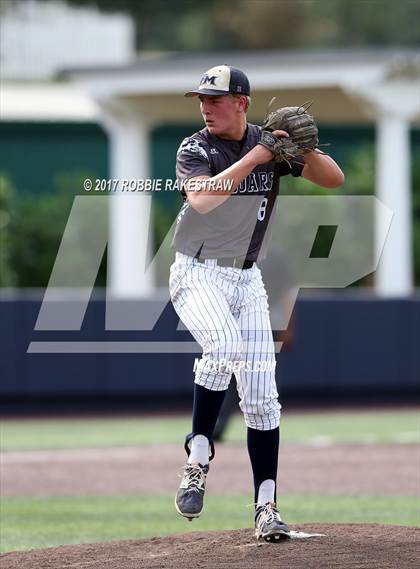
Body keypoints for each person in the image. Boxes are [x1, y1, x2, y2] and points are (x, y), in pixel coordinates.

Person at [169, 64, 344, 542]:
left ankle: (266, 507)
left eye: (216, 99)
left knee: (264, 401)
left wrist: (301, 148)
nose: (205, 107)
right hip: (197, 273)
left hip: (248, 281)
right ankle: (198, 456)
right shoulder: (195, 147)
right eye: (201, 99)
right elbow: (202, 199)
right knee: (221, 347)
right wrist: (259, 156)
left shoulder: (270, 143)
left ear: (242, 103)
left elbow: (333, 179)